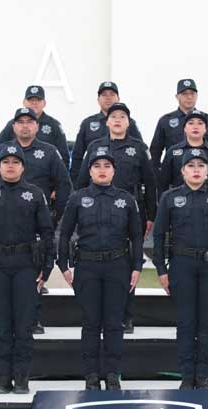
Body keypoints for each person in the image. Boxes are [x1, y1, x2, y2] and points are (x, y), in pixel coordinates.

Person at [0, 146, 54, 395]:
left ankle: (22, 378)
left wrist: (47, 266)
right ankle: (3, 378)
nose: (10, 166)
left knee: (24, 325)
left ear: (23, 167)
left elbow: (47, 231)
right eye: (5, 162)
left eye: (16, 162)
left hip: (26, 265)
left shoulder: (34, 193)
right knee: (2, 325)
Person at [152, 148, 208, 389]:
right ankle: (186, 376)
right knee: (186, 323)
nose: (196, 170)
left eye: (201, 166)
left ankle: (203, 376)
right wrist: (161, 270)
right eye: (191, 166)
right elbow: (158, 235)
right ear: (182, 171)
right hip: (182, 266)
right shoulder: (170, 198)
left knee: (207, 323)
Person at [59, 151, 144, 390]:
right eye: (97, 166)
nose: (102, 170)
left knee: (114, 322)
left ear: (114, 171)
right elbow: (64, 233)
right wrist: (63, 264)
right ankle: (91, 375)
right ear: (90, 171)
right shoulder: (78, 198)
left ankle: (113, 374)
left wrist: (137, 266)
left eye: (107, 165)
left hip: (118, 265)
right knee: (91, 323)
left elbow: (136, 236)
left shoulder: (126, 199)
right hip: (87, 266)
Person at [0, 107, 72, 334]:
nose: (25, 126)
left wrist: (56, 216)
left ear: (37, 126)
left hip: (36, 222)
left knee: (34, 273)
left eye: (29, 122)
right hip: (3, 222)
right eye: (20, 122)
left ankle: (32, 319)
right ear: (13, 127)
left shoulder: (49, 152)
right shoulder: (1, 151)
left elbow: (64, 184)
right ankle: (4, 322)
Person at [76, 102, 156, 333]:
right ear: (107, 122)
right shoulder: (95, 146)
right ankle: (99, 317)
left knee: (129, 262)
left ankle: (126, 316)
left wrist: (151, 215)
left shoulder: (139, 148)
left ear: (128, 122)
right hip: (97, 211)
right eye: (114, 117)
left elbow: (150, 183)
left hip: (130, 211)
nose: (118, 120)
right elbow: (81, 181)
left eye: (122, 117)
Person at [71, 81, 144, 181]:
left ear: (118, 98)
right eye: (104, 95)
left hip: (124, 181)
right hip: (95, 182)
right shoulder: (87, 123)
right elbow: (77, 156)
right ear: (98, 99)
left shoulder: (129, 123)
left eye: (112, 94)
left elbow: (140, 152)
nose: (108, 98)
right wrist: (74, 182)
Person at [158, 109, 208, 199]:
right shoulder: (173, 152)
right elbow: (163, 184)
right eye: (191, 123)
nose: (195, 127)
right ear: (184, 128)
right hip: (180, 203)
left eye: (200, 123)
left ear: (205, 129)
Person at [150, 78, 208, 170]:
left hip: (203, 172)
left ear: (197, 96)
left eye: (192, 94)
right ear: (177, 96)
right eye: (185, 94)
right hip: (175, 173)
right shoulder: (165, 121)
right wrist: (156, 173)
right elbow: (155, 152)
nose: (189, 97)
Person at [0, 85, 70, 169]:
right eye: (30, 100)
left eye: (38, 100)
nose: (34, 103)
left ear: (44, 103)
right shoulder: (12, 124)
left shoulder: (54, 125)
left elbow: (63, 157)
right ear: (24, 102)